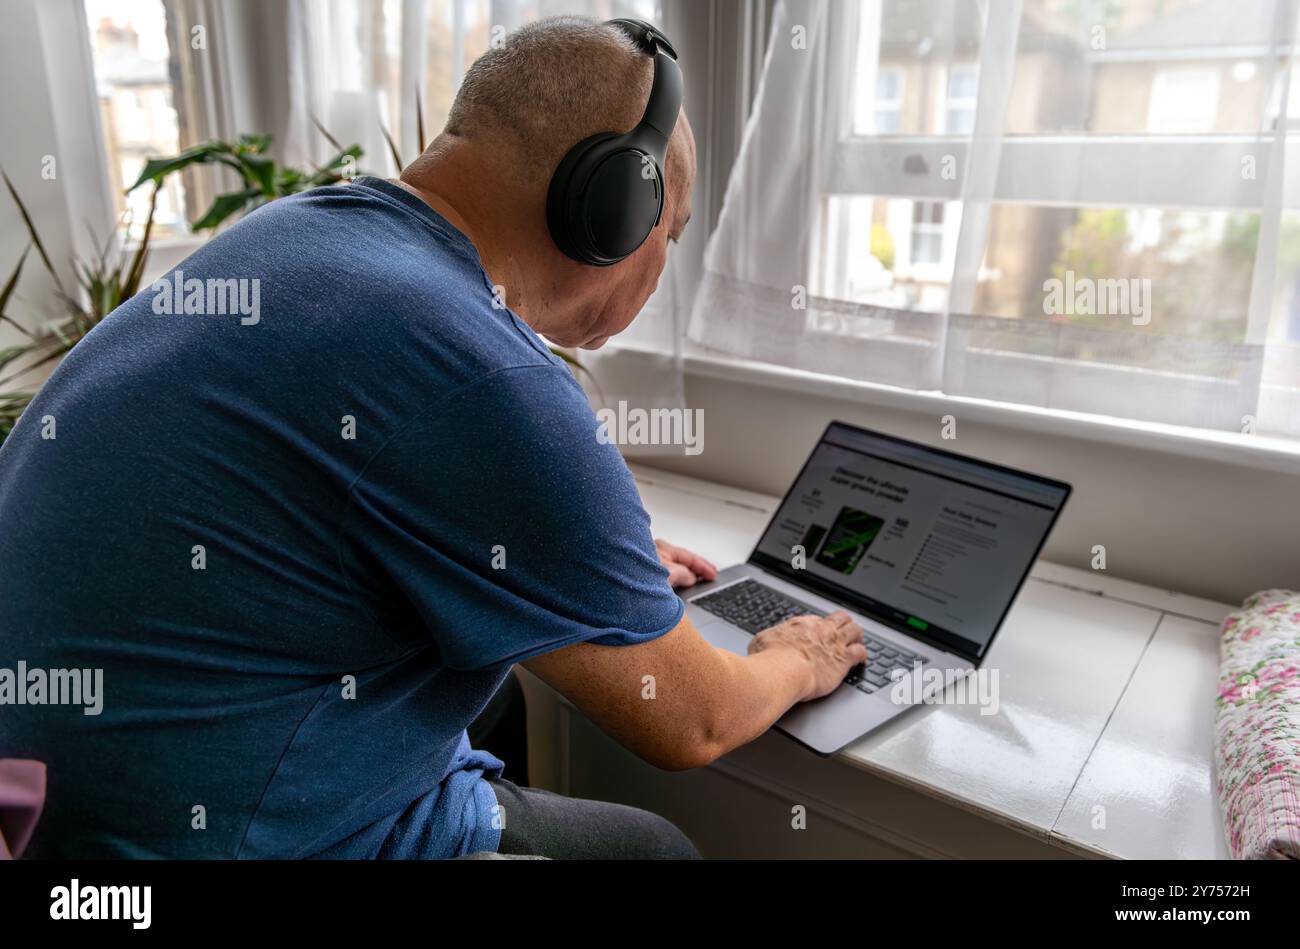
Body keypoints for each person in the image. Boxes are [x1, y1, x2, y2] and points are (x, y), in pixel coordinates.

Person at [0, 15, 865, 860]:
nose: (661, 258)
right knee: (654, 846)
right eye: (667, 230)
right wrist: (796, 657)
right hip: (210, 832)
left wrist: (581, 567)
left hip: (50, 797)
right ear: (615, 204)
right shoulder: (485, 371)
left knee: (497, 709)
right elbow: (693, 717)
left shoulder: (298, 234)